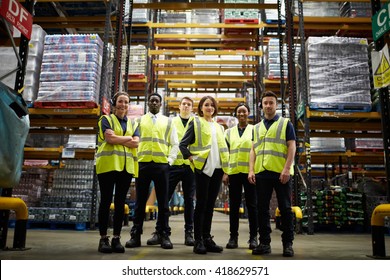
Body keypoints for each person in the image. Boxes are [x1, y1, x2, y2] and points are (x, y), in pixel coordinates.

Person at [125, 92, 179, 250]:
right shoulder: (139, 121)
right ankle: (136, 235)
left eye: (157, 101)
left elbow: (175, 144)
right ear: (148, 103)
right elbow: (132, 141)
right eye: (151, 101)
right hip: (143, 165)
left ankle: (165, 235)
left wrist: (170, 161)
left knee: (163, 203)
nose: (154, 103)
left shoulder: (168, 122)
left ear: (160, 104)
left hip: (162, 166)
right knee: (140, 202)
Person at [248, 91, 296, 257]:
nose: (268, 105)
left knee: (285, 208)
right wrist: (251, 169)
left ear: (276, 105)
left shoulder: (285, 124)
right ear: (262, 106)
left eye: (271, 103)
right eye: (265, 103)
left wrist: (286, 169)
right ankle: (264, 243)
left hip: (280, 173)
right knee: (262, 209)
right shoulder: (256, 127)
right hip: (262, 173)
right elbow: (253, 150)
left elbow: (292, 147)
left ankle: (288, 244)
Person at [180, 96, 229, 254]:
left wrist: (226, 170)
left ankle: (207, 238)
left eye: (212, 105)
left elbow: (222, 149)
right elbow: (183, 144)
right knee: (201, 205)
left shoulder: (220, 127)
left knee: (210, 206)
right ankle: (198, 240)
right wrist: (191, 158)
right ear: (201, 108)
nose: (209, 108)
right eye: (206, 105)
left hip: (217, 170)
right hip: (202, 169)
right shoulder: (196, 122)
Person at [95, 91, 139, 253]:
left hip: (126, 168)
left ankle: (116, 238)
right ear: (114, 104)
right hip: (107, 166)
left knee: (121, 203)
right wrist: (128, 139)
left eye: (126, 102)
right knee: (106, 201)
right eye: (120, 101)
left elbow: (136, 144)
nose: (123, 105)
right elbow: (110, 139)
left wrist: (122, 139)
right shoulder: (105, 119)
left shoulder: (133, 124)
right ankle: (103, 239)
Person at [223, 103, 258, 250]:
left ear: (248, 113)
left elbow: (257, 151)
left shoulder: (255, 130)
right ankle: (233, 237)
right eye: (239, 112)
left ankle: (253, 238)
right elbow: (225, 153)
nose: (242, 114)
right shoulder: (229, 132)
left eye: (244, 112)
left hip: (250, 173)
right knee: (234, 206)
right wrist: (225, 172)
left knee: (252, 206)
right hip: (234, 173)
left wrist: (254, 171)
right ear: (236, 115)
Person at [168, 97, 196, 246]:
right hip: (173, 165)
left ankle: (189, 233)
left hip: (190, 166)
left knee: (189, 201)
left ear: (192, 108)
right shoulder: (171, 122)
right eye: (184, 104)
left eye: (189, 104)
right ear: (179, 107)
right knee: (165, 198)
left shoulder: (196, 123)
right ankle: (162, 231)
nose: (186, 106)